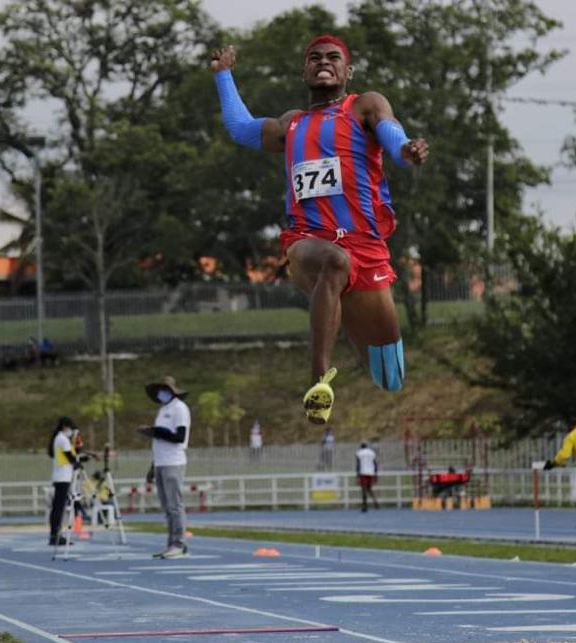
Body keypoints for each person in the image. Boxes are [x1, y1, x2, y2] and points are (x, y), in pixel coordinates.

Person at [211, 37, 429, 424]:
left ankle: (335, 312)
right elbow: (241, 128)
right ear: (304, 71)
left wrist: (404, 150)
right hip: (308, 246)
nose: (323, 63)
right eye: (314, 57)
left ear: (348, 71)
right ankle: (318, 385)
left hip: (366, 249)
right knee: (333, 260)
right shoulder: (291, 123)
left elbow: (391, 131)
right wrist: (223, 75)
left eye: (333, 58)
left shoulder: (365, 105)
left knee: (389, 376)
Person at [140, 376, 191, 559]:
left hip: (173, 462)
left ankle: (179, 543)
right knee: (167, 507)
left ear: (172, 391)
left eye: (164, 389)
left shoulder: (179, 408)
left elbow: (179, 437)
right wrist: (153, 467)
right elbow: (159, 441)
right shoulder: (163, 410)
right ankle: (171, 544)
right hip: (161, 462)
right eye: (160, 390)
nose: (161, 393)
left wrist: (157, 432)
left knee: (175, 504)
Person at [47, 416, 80, 546]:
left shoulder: (59, 439)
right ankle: (55, 534)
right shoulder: (62, 439)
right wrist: (77, 463)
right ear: (66, 428)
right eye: (71, 429)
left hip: (61, 476)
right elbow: (70, 457)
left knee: (58, 507)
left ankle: (55, 534)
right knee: (59, 508)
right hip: (63, 477)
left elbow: (71, 455)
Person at [355, 441, 379, 512]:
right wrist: (375, 473)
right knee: (369, 488)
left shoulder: (359, 453)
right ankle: (375, 502)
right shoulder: (372, 453)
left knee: (364, 489)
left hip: (363, 472)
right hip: (371, 472)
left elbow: (358, 464)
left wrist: (357, 474)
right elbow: (375, 464)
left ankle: (365, 506)